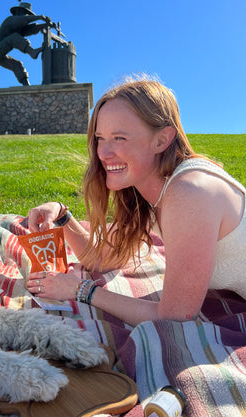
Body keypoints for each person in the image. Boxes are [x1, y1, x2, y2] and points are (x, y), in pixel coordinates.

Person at [26, 74, 246, 327]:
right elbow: (104, 259)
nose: (103, 153)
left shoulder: (189, 192)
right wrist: (62, 215)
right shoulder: (147, 189)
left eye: (120, 138)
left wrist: (82, 291)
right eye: (100, 138)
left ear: (161, 140)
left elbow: (176, 315)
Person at [0, 2, 55, 86]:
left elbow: (32, 29)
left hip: (0, 57)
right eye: (26, 13)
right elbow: (23, 20)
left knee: (17, 65)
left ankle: (26, 86)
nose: (27, 15)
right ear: (19, 12)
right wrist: (40, 17)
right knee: (14, 37)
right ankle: (32, 52)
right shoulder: (10, 20)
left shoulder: (19, 28)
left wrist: (46, 25)